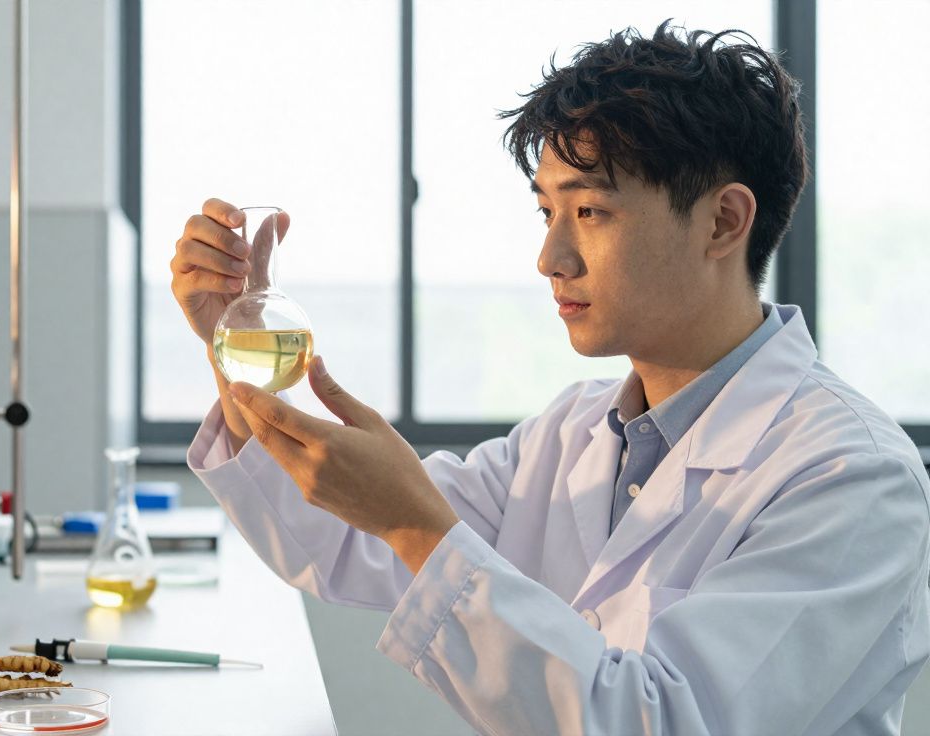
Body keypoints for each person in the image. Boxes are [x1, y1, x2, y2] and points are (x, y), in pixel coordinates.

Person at [168, 21, 930, 735]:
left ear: (724, 222)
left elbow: (655, 718)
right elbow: (338, 540)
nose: (551, 259)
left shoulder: (852, 478)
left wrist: (413, 523)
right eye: (545, 213)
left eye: (591, 211)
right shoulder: (571, 433)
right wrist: (235, 342)